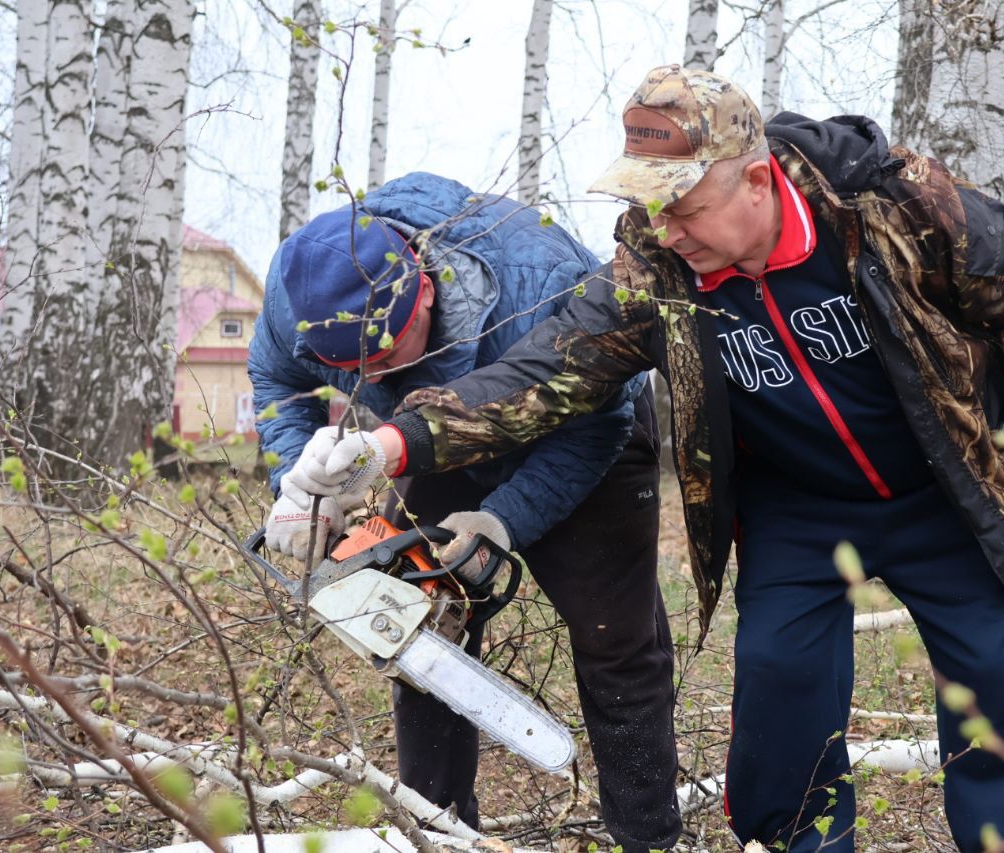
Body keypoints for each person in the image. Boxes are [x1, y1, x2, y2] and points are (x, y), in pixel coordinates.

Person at [300, 68, 1004, 851]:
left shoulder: (893, 206)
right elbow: (551, 369)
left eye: (682, 204)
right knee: (779, 692)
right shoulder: (657, 263)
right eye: (649, 206)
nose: (665, 228)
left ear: (758, 180)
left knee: (999, 687)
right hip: (798, 506)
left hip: (947, 488)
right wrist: (388, 440)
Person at [248, 171, 681, 853]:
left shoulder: (536, 281)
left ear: (423, 286)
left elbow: (598, 423)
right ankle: (442, 831)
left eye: (392, 354)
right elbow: (274, 382)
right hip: (425, 438)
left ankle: (647, 834)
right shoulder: (298, 296)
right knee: (421, 620)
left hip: (586, 428)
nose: (381, 379)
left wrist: (504, 519)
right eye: (364, 369)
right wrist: (297, 485)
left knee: (616, 639)